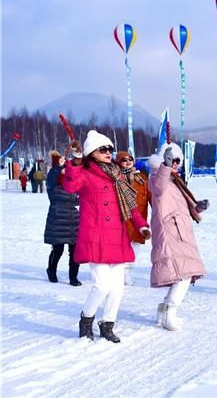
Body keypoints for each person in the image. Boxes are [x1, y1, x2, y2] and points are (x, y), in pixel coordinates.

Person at [63, 130, 151, 342]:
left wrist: (141, 226)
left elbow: (130, 207)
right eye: (103, 149)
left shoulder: (117, 175)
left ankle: (107, 323)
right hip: (96, 237)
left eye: (110, 149)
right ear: (91, 152)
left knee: (117, 288)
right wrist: (74, 162)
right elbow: (70, 186)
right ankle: (86, 319)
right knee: (102, 285)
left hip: (118, 237)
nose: (108, 152)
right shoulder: (84, 173)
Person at [148, 144, 208, 330]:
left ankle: (164, 310)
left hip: (181, 231)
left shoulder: (175, 181)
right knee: (183, 274)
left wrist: (198, 207)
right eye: (171, 160)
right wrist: (165, 166)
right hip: (170, 232)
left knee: (183, 273)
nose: (174, 164)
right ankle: (170, 313)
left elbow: (185, 206)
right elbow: (158, 188)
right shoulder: (157, 177)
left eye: (177, 161)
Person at [44, 150, 81, 286]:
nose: (66, 171)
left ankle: (73, 277)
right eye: (64, 169)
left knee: (75, 251)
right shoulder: (52, 186)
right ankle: (51, 271)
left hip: (73, 221)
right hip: (57, 221)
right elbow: (51, 178)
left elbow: (78, 199)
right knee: (58, 250)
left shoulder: (72, 184)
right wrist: (58, 167)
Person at [116, 150, 151, 286]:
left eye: (130, 159)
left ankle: (128, 273)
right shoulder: (116, 178)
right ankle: (120, 274)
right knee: (121, 248)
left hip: (138, 220)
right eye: (124, 160)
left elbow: (151, 196)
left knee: (135, 249)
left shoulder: (142, 178)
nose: (128, 161)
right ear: (119, 163)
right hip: (122, 220)